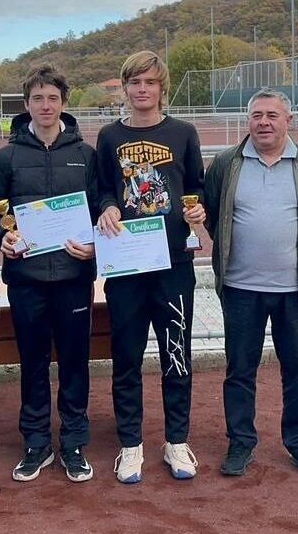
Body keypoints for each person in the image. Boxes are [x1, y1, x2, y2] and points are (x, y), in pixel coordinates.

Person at [204, 88, 298, 479]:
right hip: (240, 288)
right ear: (248, 121)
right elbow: (213, 216)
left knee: (297, 369)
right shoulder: (226, 163)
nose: (264, 122)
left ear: (288, 121)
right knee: (239, 370)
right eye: (257, 115)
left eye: (272, 115)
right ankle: (240, 443)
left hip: (295, 291)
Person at [0, 64, 98, 484]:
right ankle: (35, 442)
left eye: (52, 98)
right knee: (32, 363)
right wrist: (3, 237)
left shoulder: (87, 155)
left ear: (63, 103)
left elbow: (102, 209)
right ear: (26, 104)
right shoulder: (6, 157)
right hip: (26, 279)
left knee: (74, 362)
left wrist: (93, 247)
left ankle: (73, 442)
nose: (45, 105)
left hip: (74, 277)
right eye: (37, 99)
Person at [96, 51, 205, 483]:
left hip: (173, 263)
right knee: (126, 356)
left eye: (150, 82)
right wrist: (107, 206)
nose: (142, 89)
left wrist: (198, 211)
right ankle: (130, 444)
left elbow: (196, 187)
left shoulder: (183, 133)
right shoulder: (109, 136)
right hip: (126, 264)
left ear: (162, 88)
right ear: (125, 88)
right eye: (135, 82)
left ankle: (176, 440)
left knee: (176, 353)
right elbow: (103, 188)